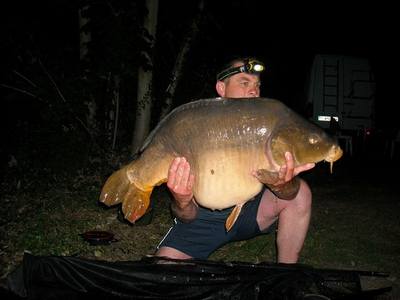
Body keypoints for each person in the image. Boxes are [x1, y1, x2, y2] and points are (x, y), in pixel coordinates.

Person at [155, 57, 315, 263]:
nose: (254, 91)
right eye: (244, 82)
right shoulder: (195, 129)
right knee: (163, 267)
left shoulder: (265, 129)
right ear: (221, 88)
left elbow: (289, 193)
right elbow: (185, 215)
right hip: (202, 223)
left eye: (257, 85)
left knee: (301, 192)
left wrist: (284, 185)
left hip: (251, 213)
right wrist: (181, 200)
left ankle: (286, 273)